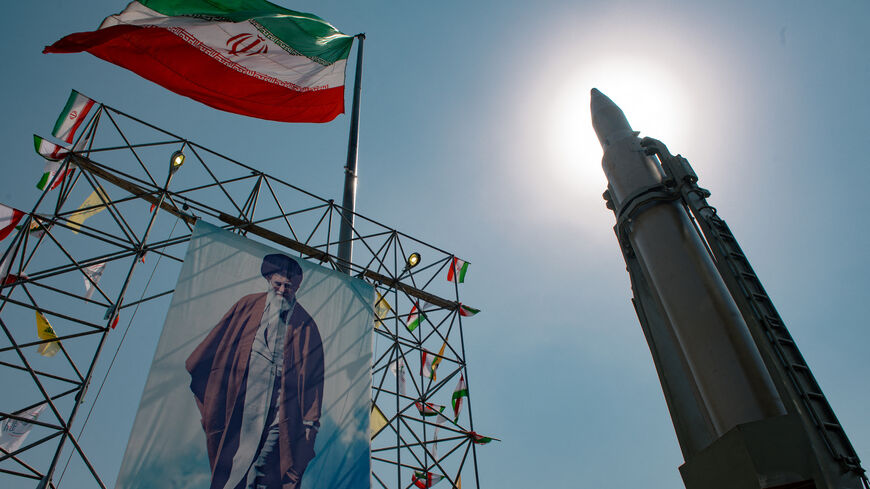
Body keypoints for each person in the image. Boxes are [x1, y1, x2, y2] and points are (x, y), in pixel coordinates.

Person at [186, 254, 324, 489]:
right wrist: (212, 401)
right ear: (269, 280)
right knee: (234, 468)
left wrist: (309, 428)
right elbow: (211, 354)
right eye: (277, 284)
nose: (281, 290)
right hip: (244, 400)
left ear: (297, 288)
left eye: (288, 286)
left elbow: (313, 383)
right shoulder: (248, 305)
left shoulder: (306, 325)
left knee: (264, 472)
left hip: (282, 410)